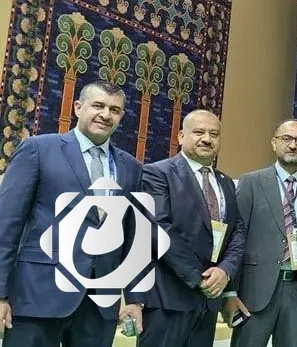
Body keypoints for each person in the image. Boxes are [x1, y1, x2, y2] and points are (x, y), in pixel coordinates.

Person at [0, 81, 144, 347]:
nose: (105, 114)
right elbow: (6, 225)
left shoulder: (131, 168)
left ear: (121, 116)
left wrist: (134, 299)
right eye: (98, 105)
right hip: (38, 294)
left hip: (99, 304)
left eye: (114, 110)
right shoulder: (39, 149)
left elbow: (133, 237)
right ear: (78, 107)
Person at [138, 109, 247, 347]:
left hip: (208, 303)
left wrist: (225, 271)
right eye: (199, 132)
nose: (207, 139)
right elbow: (158, 230)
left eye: (214, 134)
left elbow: (237, 232)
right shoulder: (157, 173)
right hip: (169, 299)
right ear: (180, 136)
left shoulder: (226, 183)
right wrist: (200, 278)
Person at [227, 119, 297, 347]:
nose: (293, 145)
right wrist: (230, 293)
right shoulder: (251, 182)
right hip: (254, 292)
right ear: (274, 143)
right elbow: (235, 238)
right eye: (286, 138)